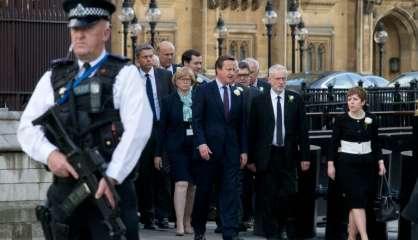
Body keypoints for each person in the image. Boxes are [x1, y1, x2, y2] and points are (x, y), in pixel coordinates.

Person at [17, 0, 153, 239]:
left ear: (106, 32)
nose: (79, 35)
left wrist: (113, 175)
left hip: (110, 190)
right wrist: (50, 155)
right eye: (75, 29)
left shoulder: (124, 74)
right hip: (66, 191)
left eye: (88, 28)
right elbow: (27, 128)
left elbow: (138, 129)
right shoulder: (54, 77)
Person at [247, 64, 310, 239]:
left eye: (284, 79)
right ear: (269, 80)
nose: (281, 82)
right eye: (277, 78)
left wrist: (305, 157)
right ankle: (271, 233)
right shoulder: (259, 101)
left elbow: (303, 131)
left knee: (286, 195)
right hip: (267, 156)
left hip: (288, 155)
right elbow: (252, 131)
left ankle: (281, 227)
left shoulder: (295, 99)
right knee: (267, 196)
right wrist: (251, 159)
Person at [192, 55, 247, 240]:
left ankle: (230, 231)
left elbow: (242, 125)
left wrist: (243, 150)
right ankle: (199, 229)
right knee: (205, 192)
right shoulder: (204, 90)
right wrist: (201, 143)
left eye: (234, 69)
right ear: (218, 70)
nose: (233, 73)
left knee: (230, 192)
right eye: (229, 69)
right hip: (208, 151)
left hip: (231, 152)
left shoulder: (239, 92)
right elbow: (197, 120)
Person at [327, 86, 386, 240]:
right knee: (357, 201)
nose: (351, 102)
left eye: (355, 99)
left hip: (367, 165)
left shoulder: (371, 119)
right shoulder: (341, 120)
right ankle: (365, 237)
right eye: (349, 99)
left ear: (363, 102)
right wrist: (330, 164)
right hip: (347, 165)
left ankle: (351, 237)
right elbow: (333, 144)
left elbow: (376, 143)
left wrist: (380, 162)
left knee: (356, 202)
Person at [134, 44, 174, 230]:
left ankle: (163, 215)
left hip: (162, 129)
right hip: (142, 131)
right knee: (144, 176)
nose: (149, 60)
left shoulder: (164, 76)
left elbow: (172, 102)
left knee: (164, 174)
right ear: (138, 59)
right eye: (145, 57)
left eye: (151, 56)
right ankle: (148, 215)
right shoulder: (132, 79)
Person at [155, 67, 197, 236]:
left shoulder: (198, 98)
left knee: (193, 186)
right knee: (181, 183)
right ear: (176, 82)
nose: (186, 82)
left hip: (195, 147)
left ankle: (188, 221)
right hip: (176, 148)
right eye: (182, 79)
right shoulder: (168, 101)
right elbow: (162, 129)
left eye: (189, 79)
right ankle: (178, 223)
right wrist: (158, 153)